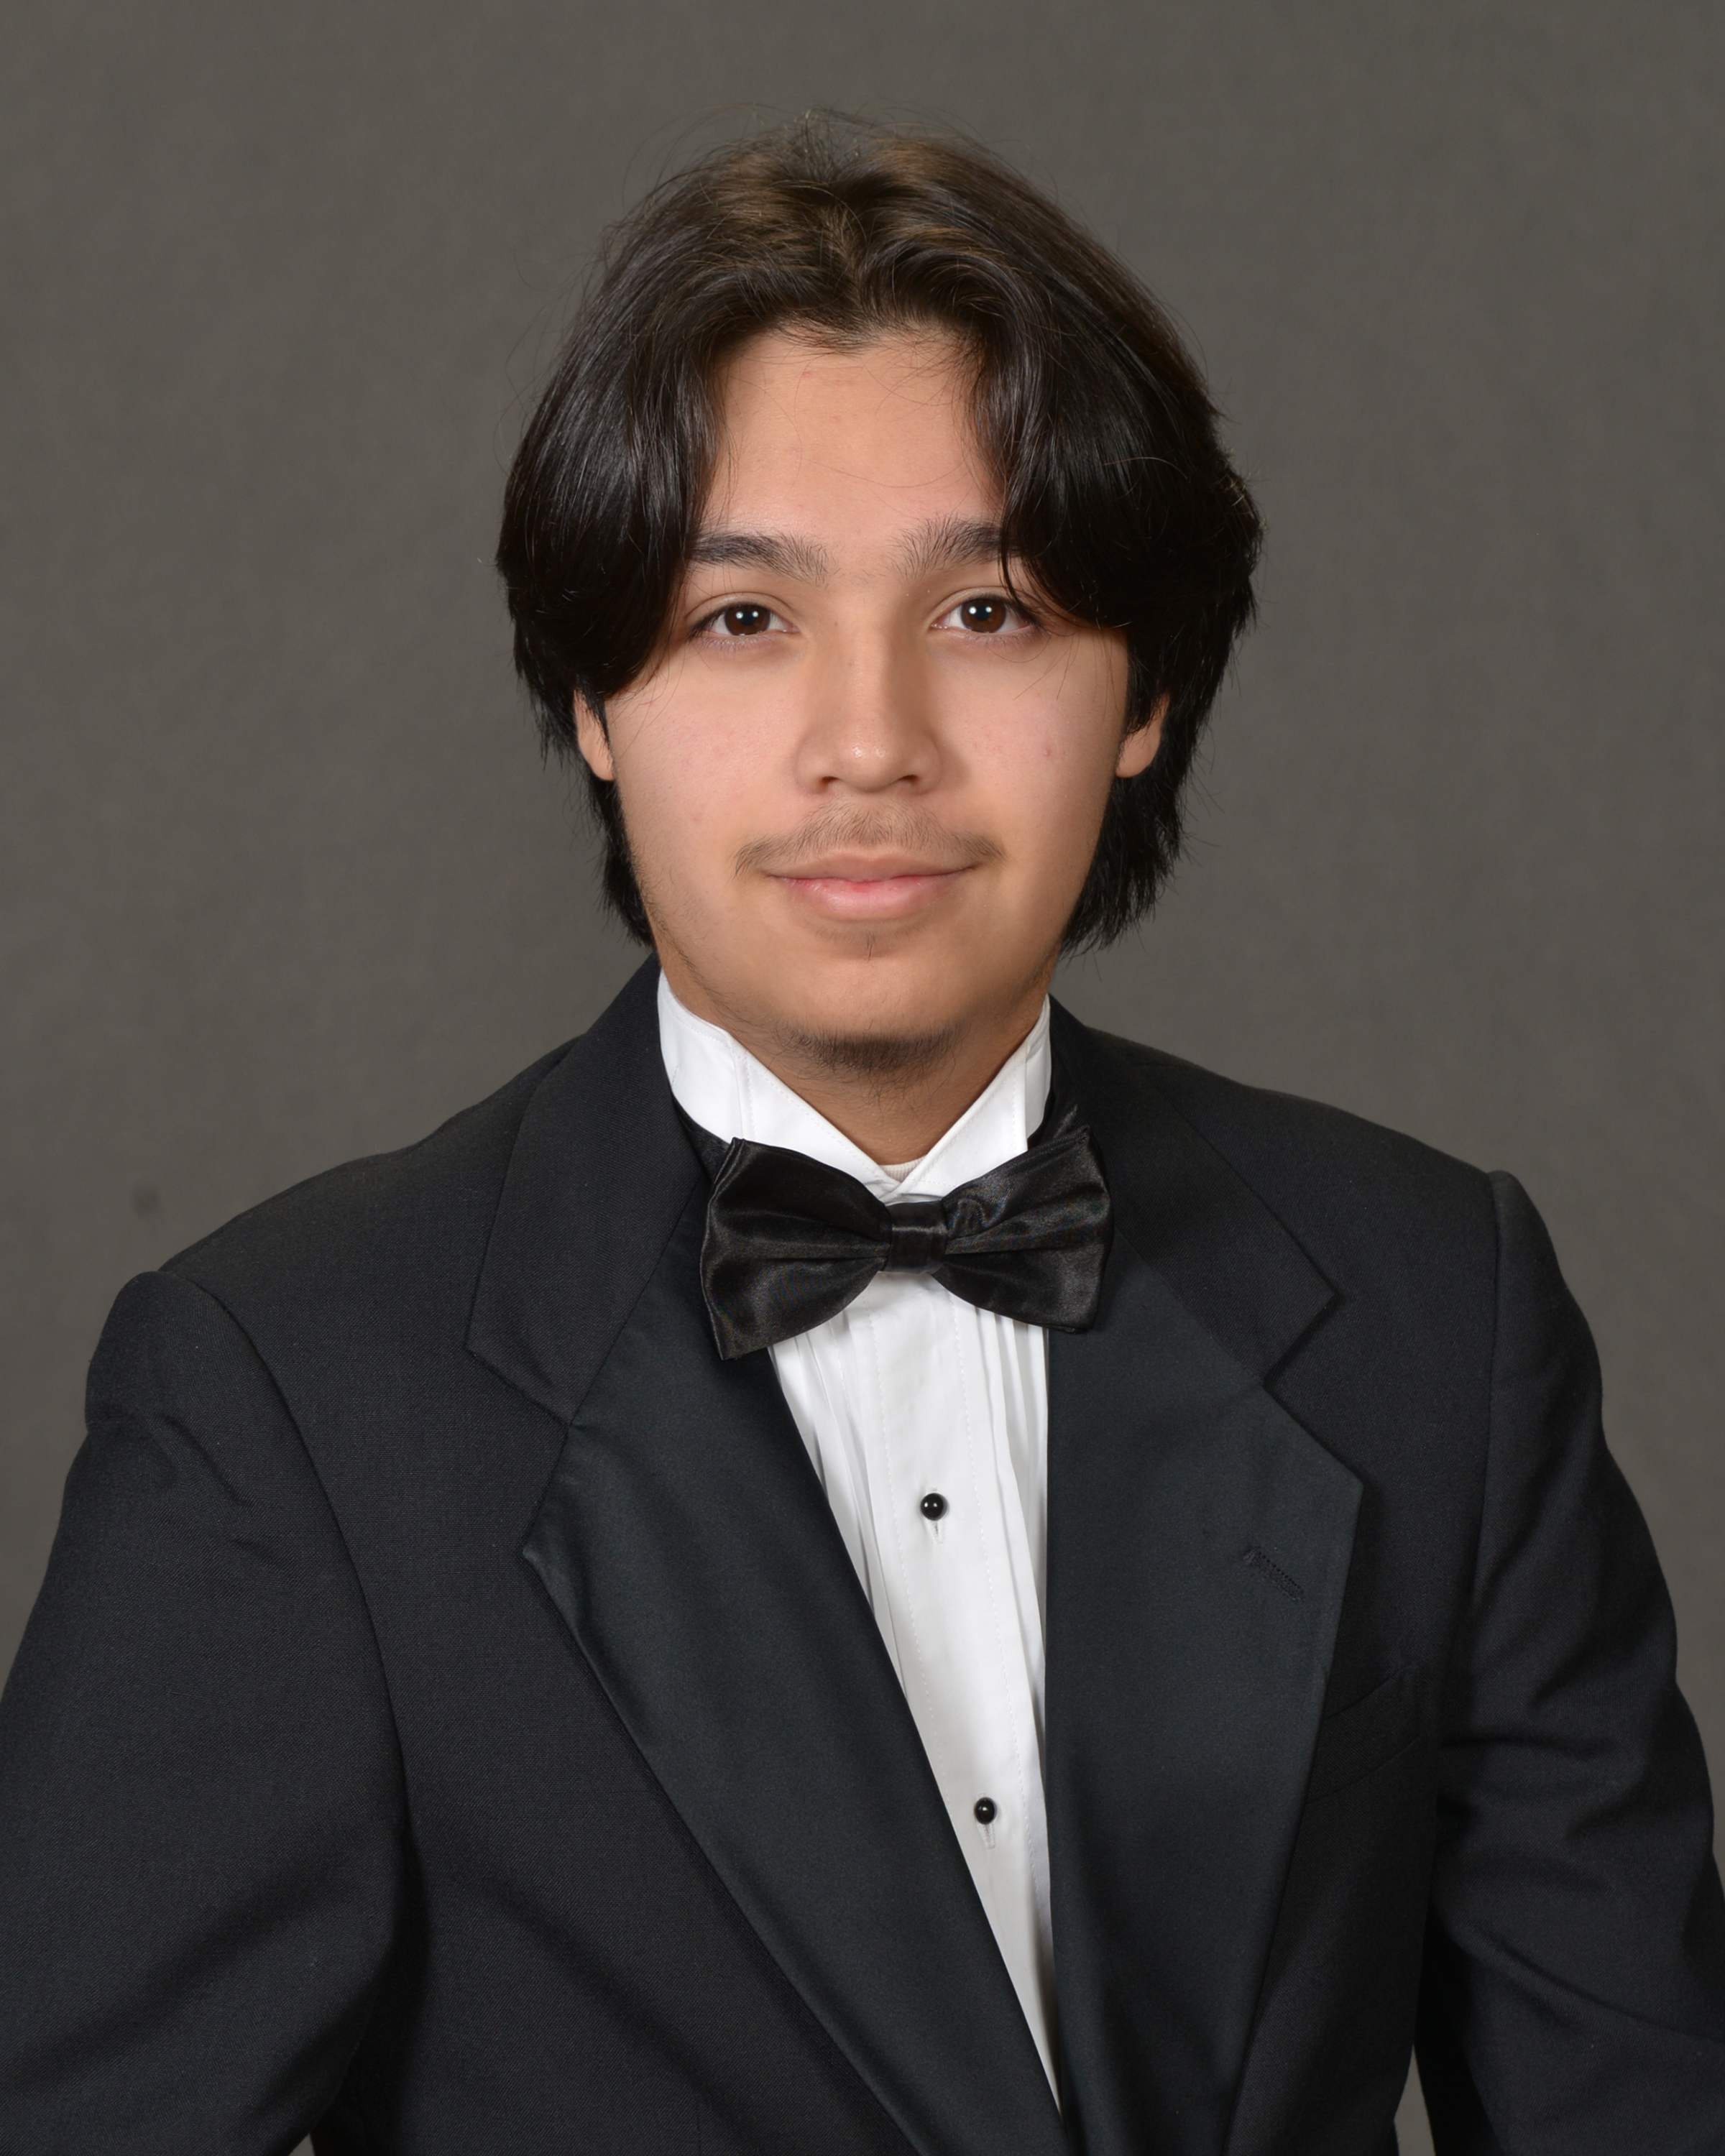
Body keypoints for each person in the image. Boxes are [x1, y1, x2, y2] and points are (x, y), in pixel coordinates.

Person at [0, 118, 1720, 2156]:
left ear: (1146, 691)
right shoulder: (292, 1393)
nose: (870, 743)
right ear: (595, 700)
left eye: (987, 610)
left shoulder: (1439, 1308)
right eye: (744, 618)